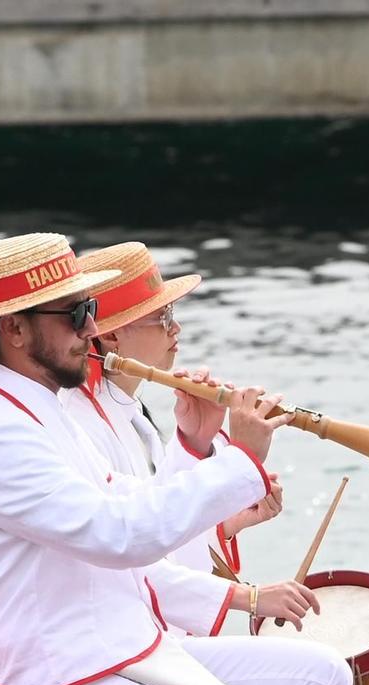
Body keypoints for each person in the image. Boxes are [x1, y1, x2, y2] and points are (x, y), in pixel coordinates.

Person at [0, 232, 355, 685]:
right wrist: (241, 458)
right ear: (14, 328)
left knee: (323, 681)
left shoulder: (41, 411)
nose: (92, 329)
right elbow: (120, 536)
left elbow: (127, 502)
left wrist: (205, 455)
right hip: (67, 676)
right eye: (79, 312)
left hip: (122, 651)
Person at [64, 241, 281, 579]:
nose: (175, 329)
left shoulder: (129, 413)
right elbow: (132, 550)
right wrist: (237, 459)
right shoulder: (83, 425)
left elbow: (154, 519)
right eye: (163, 317)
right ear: (112, 337)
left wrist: (223, 517)